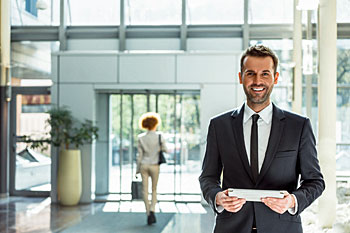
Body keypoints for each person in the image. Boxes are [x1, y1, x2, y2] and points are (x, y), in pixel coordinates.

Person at [199, 45, 325, 233]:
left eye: (265, 74)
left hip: (282, 228)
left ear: (275, 77)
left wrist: (293, 200)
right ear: (240, 77)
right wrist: (217, 197)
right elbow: (208, 177)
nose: (257, 81)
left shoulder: (298, 126)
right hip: (232, 227)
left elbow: (315, 181)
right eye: (250, 73)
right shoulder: (219, 126)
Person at [136, 112, 167, 225]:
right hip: (155, 165)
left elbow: (139, 156)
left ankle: (148, 212)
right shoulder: (159, 136)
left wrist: (137, 170)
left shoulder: (141, 137)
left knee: (145, 190)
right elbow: (166, 149)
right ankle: (153, 209)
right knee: (154, 189)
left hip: (144, 165)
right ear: (155, 123)